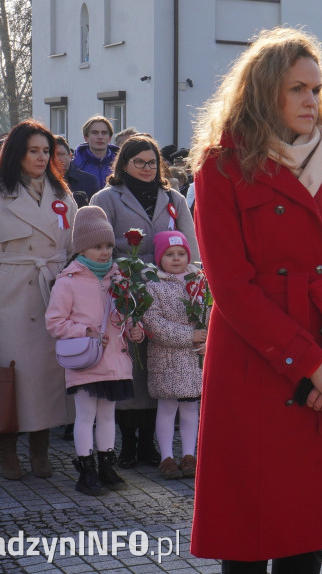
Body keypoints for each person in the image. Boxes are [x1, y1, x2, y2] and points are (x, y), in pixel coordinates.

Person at [188, 26, 322, 572]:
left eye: (316, 89)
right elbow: (232, 288)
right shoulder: (221, 166)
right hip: (252, 365)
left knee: (305, 529)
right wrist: (312, 366)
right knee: (245, 532)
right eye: (297, 89)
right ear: (265, 91)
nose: (311, 101)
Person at [0, 119, 77, 480]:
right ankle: (8, 450)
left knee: (46, 376)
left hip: (52, 294)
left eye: (47, 151)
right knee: (11, 376)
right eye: (34, 151)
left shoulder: (62, 194)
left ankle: (41, 450)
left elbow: (74, 247)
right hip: (7, 297)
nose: (42, 158)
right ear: (17, 153)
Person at [90, 134, 198, 469]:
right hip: (124, 285)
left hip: (168, 291)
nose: (147, 168)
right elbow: (98, 243)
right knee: (129, 365)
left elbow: (189, 245)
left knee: (159, 364)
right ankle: (127, 444)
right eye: (139, 162)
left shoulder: (173, 198)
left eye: (152, 162)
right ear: (124, 164)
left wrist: (194, 284)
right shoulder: (107, 197)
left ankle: (152, 444)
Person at [45, 206, 143, 495]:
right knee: (86, 415)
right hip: (87, 359)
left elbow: (123, 316)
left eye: (109, 246)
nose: (104, 252)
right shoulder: (68, 281)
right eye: (97, 246)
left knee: (108, 415)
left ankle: (106, 466)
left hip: (115, 359)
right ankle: (86, 471)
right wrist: (83, 331)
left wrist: (135, 330)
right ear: (82, 248)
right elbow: (54, 322)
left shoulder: (119, 279)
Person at [142, 231, 205, 479]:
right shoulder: (153, 285)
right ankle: (166, 457)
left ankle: (189, 455)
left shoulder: (200, 281)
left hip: (194, 358)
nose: (176, 259)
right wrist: (190, 335)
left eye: (181, 254)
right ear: (160, 258)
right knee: (167, 408)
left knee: (191, 407)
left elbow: (210, 310)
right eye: (169, 254)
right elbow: (154, 323)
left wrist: (206, 335)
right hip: (167, 359)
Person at [73, 116, 120, 189]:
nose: (100, 137)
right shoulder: (75, 166)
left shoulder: (120, 164)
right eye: (95, 133)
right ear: (86, 138)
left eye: (104, 133)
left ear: (110, 138)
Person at [55, 136, 99, 205]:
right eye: (52, 155)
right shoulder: (40, 182)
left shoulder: (89, 181)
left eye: (60, 154)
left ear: (70, 156)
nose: (56, 159)